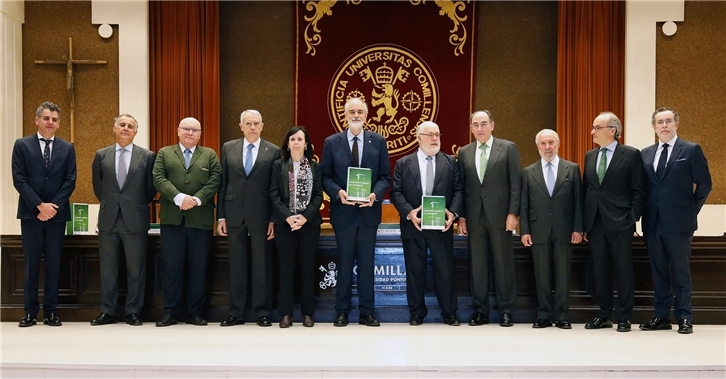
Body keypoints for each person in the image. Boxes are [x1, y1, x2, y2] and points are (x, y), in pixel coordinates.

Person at [639, 107, 711, 334]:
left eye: (668, 121)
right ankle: (661, 316)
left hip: (680, 223)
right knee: (658, 271)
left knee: (680, 272)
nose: (664, 125)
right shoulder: (645, 154)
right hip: (652, 222)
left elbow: (705, 184)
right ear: (654, 127)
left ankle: (685, 317)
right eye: (659, 122)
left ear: (676, 124)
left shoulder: (690, 150)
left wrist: (691, 209)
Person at [321, 97, 391, 327]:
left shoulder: (378, 141)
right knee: (343, 261)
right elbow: (325, 177)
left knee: (366, 263)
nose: (356, 115)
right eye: (351, 111)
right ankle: (341, 311)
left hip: (369, 213)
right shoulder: (332, 142)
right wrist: (338, 192)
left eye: (360, 111)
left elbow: (385, 177)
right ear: (345, 115)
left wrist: (375, 195)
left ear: (367, 116)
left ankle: (367, 312)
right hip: (343, 213)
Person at [390, 121, 463, 326]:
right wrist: (408, 212)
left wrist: (453, 214)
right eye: (430, 135)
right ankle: (416, 312)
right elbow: (396, 192)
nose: (435, 139)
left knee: (445, 271)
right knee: (415, 271)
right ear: (418, 137)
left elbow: (458, 190)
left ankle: (449, 312)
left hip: (442, 226)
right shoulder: (404, 163)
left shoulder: (450, 161)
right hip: (414, 226)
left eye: (437, 135)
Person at [12, 101, 77, 327]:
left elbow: (70, 181)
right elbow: (19, 179)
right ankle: (30, 312)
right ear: (37, 120)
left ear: (58, 124)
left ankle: (51, 312)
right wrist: (40, 205)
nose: (50, 122)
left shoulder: (68, 148)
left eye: (55, 119)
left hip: (56, 216)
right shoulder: (22, 145)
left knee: (53, 263)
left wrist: (52, 208)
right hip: (31, 214)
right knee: (31, 263)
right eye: (47, 118)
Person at [152, 117, 221, 327]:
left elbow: (216, 179)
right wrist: (179, 197)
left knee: (198, 268)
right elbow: (158, 177)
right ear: (178, 131)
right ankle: (171, 312)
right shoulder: (165, 153)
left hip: (200, 220)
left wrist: (197, 199)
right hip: (172, 220)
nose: (190, 133)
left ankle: (195, 312)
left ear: (200, 134)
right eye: (186, 129)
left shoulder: (209, 154)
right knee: (172, 267)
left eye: (195, 130)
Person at [90, 114, 157, 326]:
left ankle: (133, 312)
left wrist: (132, 205)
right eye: (122, 125)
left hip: (135, 219)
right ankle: (108, 312)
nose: (126, 128)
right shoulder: (101, 155)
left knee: (136, 269)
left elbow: (150, 189)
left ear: (136, 131)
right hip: (109, 220)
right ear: (114, 128)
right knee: (108, 269)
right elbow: (98, 187)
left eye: (130, 126)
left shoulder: (147, 157)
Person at [457, 110, 522, 327]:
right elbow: (462, 188)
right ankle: (481, 311)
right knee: (478, 266)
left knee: (504, 264)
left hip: (501, 216)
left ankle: (506, 311)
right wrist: (462, 217)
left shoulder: (508, 148)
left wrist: (513, 213)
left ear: (492, 125)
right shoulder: (464, 152)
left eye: (484, 124)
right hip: (474, 217)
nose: (480, 129)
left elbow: (516, 183)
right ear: (471, 128)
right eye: (475, 125)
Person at [217, 110, 280, 327]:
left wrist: (273, 218)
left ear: (262, 126)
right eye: (248, 123)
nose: (252, 127)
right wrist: (221, 216)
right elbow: (223, 184)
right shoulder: (228, 148)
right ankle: (236, 313)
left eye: (256, 124)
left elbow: (275, 189)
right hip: (234, 214)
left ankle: (262, 312)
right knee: (237, 265)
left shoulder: (273, 150)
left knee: (262, 265)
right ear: (240, 126)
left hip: (262, 216)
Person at [582, 111, 645, 332]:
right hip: (596, 223)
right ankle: (604, 313)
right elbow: (587, 190)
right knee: (600, 270)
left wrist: (632, 218)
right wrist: (584, 223)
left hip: (621, 222)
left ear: (612, 130)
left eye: (596, 128)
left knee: (623, 270)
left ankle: (624, 317)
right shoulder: (590, 156)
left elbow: (638, 190)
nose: (592, 132)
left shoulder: (630, 154)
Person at [520, 129, 583, 329]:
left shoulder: (571, 169)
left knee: (563, 274)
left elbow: (578, 202)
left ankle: (562, 315)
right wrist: (525, 230)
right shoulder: (528, 172)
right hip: (538, 230)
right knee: (542, 275)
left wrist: (578, 228)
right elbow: (524, 205)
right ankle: (545, 314)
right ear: (538, 146)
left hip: (565, 230)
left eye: (551, 143)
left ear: (558, 144)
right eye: (543, 144)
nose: (547, 147)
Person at [270, 126, 323, 328]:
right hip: (285, 224)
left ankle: (308, 313)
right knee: (286, 268)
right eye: (292, 139)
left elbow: (318, 195)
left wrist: (304, 218)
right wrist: (288, 217)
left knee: (307, 268)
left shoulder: (315, 167)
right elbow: (274, 193)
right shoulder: (278, 165)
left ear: (306, 144)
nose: (296, 142)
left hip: (308, 224)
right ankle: (286, 314)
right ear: (288, 143)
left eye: (300, 139)